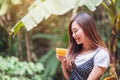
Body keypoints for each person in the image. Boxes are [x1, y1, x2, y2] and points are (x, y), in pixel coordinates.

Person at [57, 12, 110, 80]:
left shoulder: (101, 54)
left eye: (76, 31)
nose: (73, 35)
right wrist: (63, 62)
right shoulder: (74, 51)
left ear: (87, 28)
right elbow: (70, 78)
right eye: (72, 32)